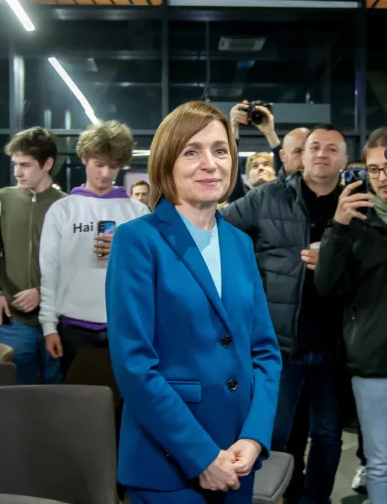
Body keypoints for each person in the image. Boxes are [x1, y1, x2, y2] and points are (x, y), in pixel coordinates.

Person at [106, 100, 281, 503]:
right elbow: (134, 365)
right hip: (167, 462)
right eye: (192, 151)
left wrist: (255, 436)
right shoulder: (138, 241)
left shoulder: (239, 243)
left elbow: (265, 352)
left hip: (238, 457)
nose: (211, 164)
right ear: (167, 163)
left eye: (220, 150)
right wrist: (201, 456)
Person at [222, 123, 348, 504]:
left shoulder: (356, 204)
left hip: (335, 344)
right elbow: (219, 230)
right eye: (314, 148)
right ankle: (275, 497)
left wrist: (335, 257)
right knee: (274, 436)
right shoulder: (269, 196)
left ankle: (314, 499)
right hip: (279, 343)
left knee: (327, 435)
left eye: (331, 148)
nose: (321, 155)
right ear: (300, 155)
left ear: (344, 160)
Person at [315, 127, 387, 504]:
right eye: (375, 169)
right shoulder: (356, 220)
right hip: (374, 361)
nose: (383, 176)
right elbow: (327, 286)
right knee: (382, 464)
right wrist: (338, 227)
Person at [39, 120, 149, 378]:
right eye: (99, 164)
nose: (105, 173)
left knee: (123, 407)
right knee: (78, 408)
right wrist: (48, 326)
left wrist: (124, 253)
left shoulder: (138, 212)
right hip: (72, 327)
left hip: (125, 327)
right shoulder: (62, 210)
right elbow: (49, 271)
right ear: (85, 159)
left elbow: (151, 273)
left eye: (113, 166)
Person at [0, 127, 66, 384]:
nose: (17, 171)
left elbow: (72, 264)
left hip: (57, 317)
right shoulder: (2, 199)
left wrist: (42, 292)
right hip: (14, 317)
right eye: (15, 164)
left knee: (57, 391)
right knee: (17, 393)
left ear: (47, 164)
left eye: (25, 165)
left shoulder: (66, 205)